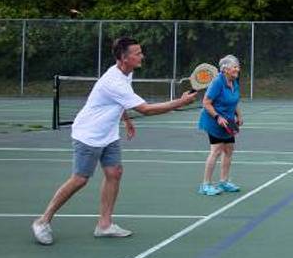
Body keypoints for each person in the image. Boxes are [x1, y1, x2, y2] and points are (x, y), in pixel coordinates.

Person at [32, 37, 198, 245]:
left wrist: (126, 119)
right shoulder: (114, 81)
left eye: (140, 52)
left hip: (109, 133)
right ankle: (42, 221)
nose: (142, 56)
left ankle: (104, 225)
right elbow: (145, 110)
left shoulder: (126, 74)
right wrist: (180, 102)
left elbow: (120, 102)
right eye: (137, 53)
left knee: (114, 172)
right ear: (123, 58)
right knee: (80, 179)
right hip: (89, 134)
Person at [197, 55, 243, 196]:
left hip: (228, 122)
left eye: (238, 66)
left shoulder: (234, 82)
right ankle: (205, 185)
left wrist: (239, 115)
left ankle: (223, 182)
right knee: (216, 150)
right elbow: (206, 102)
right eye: (234, 67)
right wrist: (217, 117)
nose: (237, 69)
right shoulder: (217, 82)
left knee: (229, 150)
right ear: (225, 69)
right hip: (214, 121)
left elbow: (233, 101)